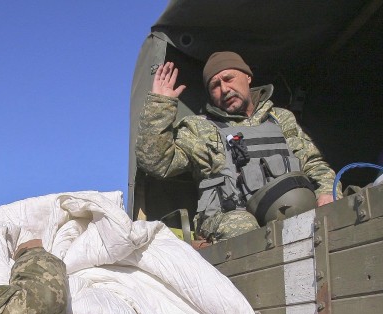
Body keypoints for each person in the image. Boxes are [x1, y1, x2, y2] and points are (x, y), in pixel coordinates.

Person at [136, 51, 339, 242]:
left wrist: (328, 192)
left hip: (287, 210)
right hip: (229, 222)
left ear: (247, 77)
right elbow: (156, 162)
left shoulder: (279, 118)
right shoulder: (199, 128)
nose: (224, 89)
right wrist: (160, 104)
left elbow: (313, 163)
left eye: (228, 78)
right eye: (215, 85)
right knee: (242, 225)